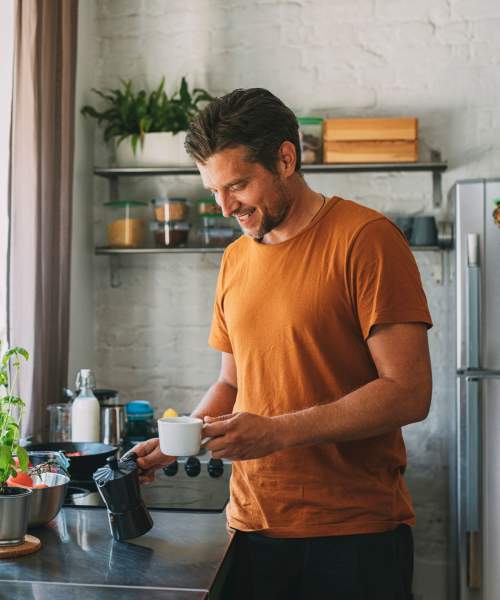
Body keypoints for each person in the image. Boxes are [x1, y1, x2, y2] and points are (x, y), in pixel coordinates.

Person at [133, 88, 433, 600]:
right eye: (214, 191)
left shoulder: (366, 239)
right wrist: (177, 442)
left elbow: (408, 392)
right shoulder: (235, 259)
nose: (226, 206)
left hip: (353, 536)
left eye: (239, 185)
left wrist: (275, 433)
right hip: (250, 529)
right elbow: (233, 380)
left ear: (285, 159)